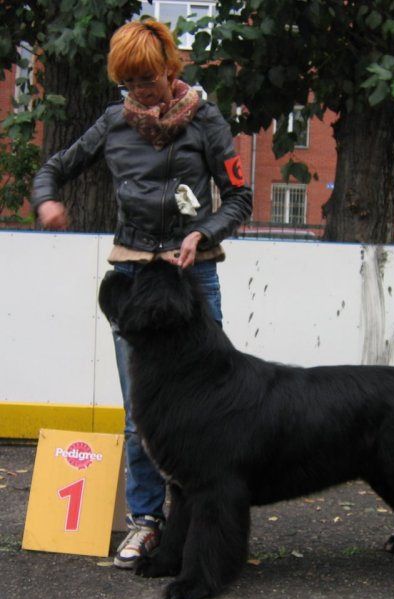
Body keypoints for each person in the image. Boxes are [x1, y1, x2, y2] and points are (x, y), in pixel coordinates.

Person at [32, 18, 252, 569]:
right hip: (133, 277)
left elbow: (239, 197)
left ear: (170, 68)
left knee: (210, 404)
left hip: (192, 277)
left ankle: (204, 517)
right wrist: (46, 201)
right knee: (143, 413)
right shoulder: (113, 123)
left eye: (148, 79)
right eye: (129, 83)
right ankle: (147, 521)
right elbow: (53, 169)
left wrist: (205, 232)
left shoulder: (206, 120)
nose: (141, 92)